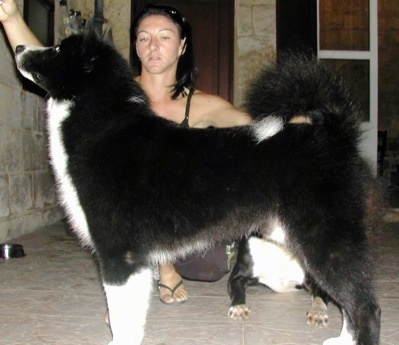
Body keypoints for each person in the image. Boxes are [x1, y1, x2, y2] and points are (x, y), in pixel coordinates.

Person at [0, 1, 252, 305]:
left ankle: (160, 260)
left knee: (209, 266)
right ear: (135, 45)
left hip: (174, 216)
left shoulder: (205, 105)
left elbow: (260, 132)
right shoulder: (109, 92)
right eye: (144, 37)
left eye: (165, 36)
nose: (153, 46)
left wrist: (301, 123)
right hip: (127, 212)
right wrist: (11, 16)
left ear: (182, 45)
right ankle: (147, 274)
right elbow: (50, 67)